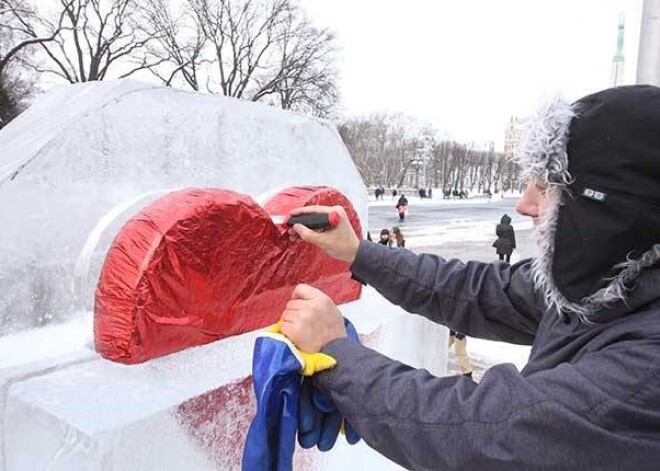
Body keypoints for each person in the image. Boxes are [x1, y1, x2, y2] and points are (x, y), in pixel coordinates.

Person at [282, 86, 660, 469]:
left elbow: (487, 432)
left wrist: (338, 357)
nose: (524, 203)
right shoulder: (606, 285)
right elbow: (472, 290)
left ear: (610, 215)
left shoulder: (647, 365)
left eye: (547, 188)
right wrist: (358, 252)